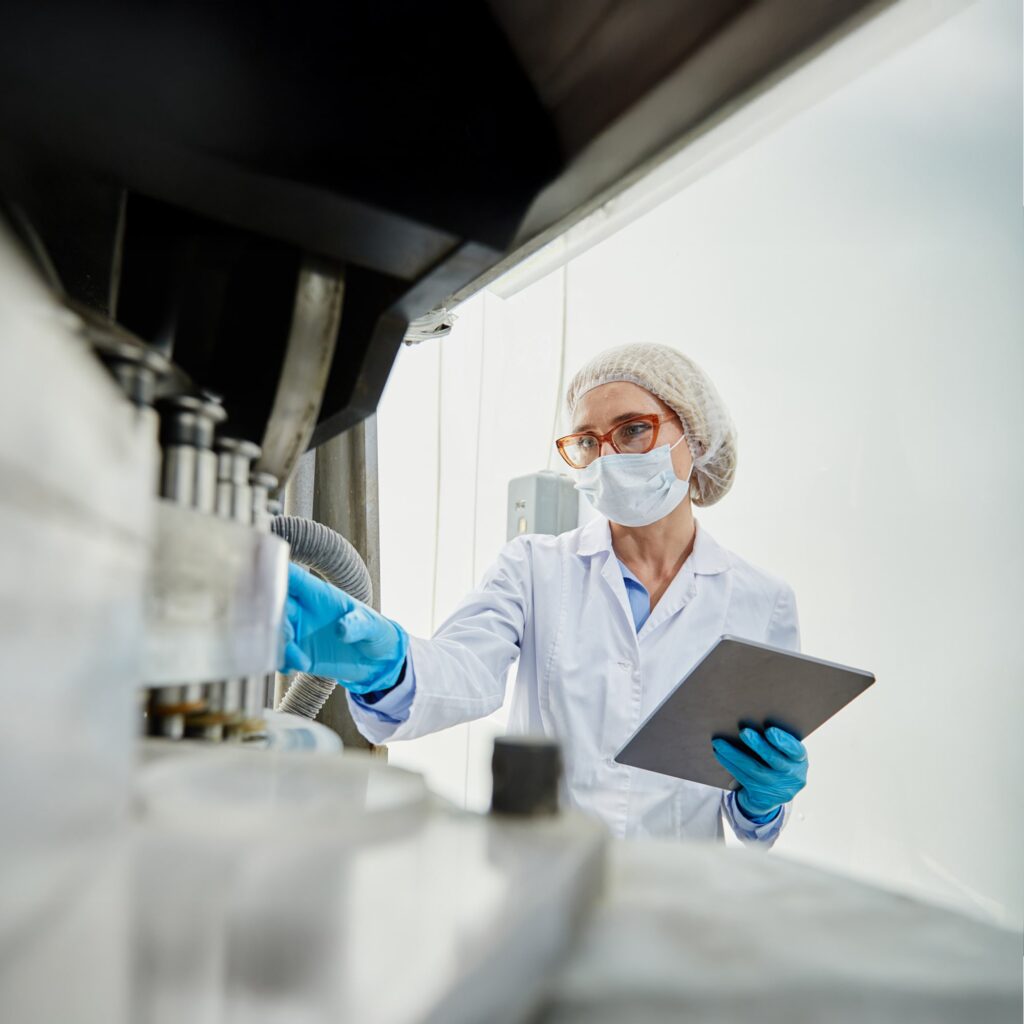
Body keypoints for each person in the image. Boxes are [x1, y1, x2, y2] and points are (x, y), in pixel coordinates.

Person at [281, 343, 808, 845]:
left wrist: (762, 801)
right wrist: (386, 662)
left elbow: (752, 819)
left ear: (692, 439)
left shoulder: (761, 601)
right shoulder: (534, 565)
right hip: (542, 879)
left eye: (631, 431)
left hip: (676, 897)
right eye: (587, 442)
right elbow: (465, 668)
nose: (606, 458)